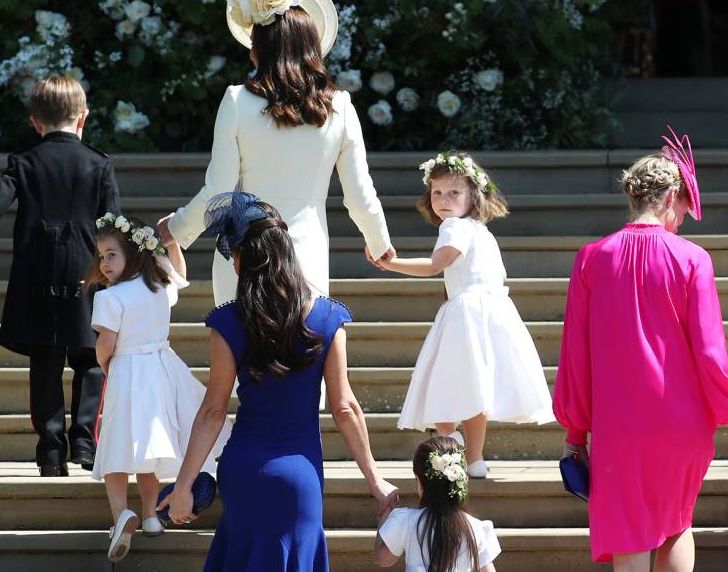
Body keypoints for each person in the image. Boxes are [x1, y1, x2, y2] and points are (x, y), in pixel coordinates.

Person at [159, 192, 398, 571]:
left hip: (243, 469)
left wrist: (185, 485)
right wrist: (374, 479)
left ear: (242, 261)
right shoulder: (329, 319)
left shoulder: (227, 323)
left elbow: (213, 410)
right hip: (298, 475)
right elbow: (345, 407)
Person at [158, 0, 393, 305]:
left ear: (263, 47)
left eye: (254, 38)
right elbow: (359, 193)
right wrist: (379, 242)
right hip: (306, 254)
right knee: (303, 353)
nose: (249, 47)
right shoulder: (340, 106)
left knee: (238, 353)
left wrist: (178, 227)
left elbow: (218, 190)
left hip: (242, 253)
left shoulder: (236, 100)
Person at [553, 128, 728, 570]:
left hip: (620, 426)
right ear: (671, 196)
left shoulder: (591, 258)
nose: (687, 216)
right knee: (676, 525)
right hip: (683, 424)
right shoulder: (693, 259)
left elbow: (576, 354)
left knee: (630, 534)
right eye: (686, 205)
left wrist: (576, 433)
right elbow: (710, 353)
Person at [0, 76, 121, 476]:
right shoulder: (98, 164)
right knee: (92, 359)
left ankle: (51, 451)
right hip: (88, 274)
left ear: (35, 122)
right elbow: (113, 223)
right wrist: (124, 269)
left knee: (45, 362)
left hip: (37, 274)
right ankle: (85, 440)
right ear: (83, 117)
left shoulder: (24, 162)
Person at [378, 152, 554, 478]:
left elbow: (435, 265)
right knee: (477, 389)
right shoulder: (481, 231)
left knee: (447, 380)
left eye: (454, 192)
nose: (444, 200)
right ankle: (474, 459)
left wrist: (391, 263)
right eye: (437, 193)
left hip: (466, 315)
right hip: (493, 314)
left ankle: (450, 442)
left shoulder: (454, 228)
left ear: (474, 195)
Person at [86, 213, 231, 563]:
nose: (104, 263)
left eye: (111, 254)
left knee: (119, 443)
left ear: (132, 254)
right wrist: (171, 241)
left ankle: (121, 512)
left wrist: (106, 363)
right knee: (147, 443)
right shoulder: (158, 285)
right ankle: (151, 515)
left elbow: (106, 342)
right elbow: (178, 272)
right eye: (101, 256)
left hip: (127, 369)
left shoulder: (111, 297)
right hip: (161, 370)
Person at [375, 437, 501, 572]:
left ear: (419, 482)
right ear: (461, 481)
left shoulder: (405, 520)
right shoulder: (475, 528)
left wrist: (384, 518)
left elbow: (383, 559)